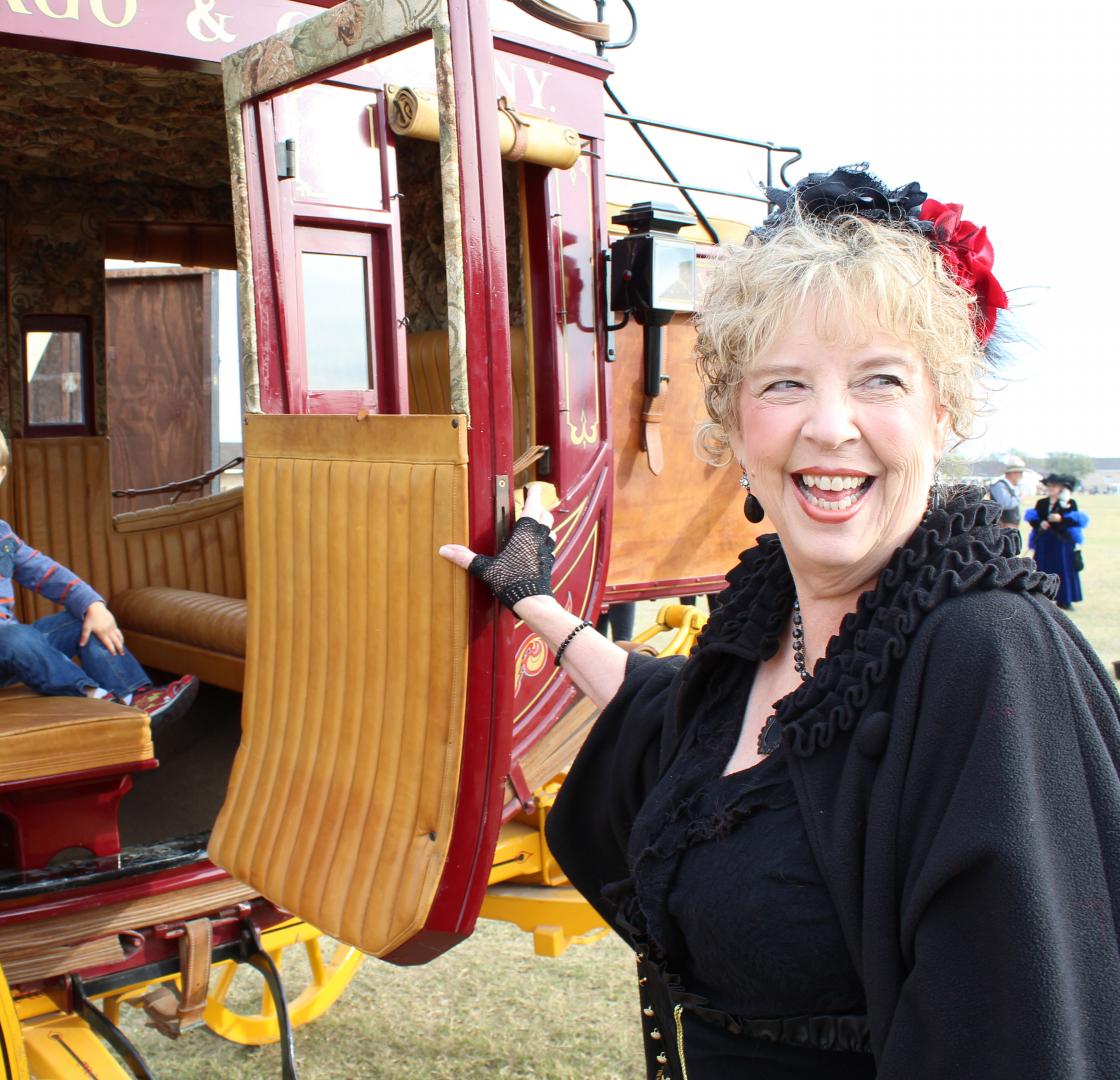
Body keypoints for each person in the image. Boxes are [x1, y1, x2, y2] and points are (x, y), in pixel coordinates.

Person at [440, 166, 1120, 1078]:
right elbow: (671, 719)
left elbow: (1025, 1036)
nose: (830, 426)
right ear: (731, 419)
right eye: (786, 384)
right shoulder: (764, 630)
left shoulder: (986, 656)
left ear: (942, 411)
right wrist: (535, 600)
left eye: (879, 381)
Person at [0, 406, 198, 728]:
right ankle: (90, 694)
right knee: (14, 636)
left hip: (15, 648)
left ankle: (136, 695)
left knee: (80, 620)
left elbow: (47, 573)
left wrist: (93, 604)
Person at [1026, 471, 1088, 609]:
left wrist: (1061, 519)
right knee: (1043, 567)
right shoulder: (1041, 503)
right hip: (1044, 541)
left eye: (1054, 486)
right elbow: (1034, 520)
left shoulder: (1070, 503)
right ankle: (1041, 598)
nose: (1051, 488)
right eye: (1049, 485)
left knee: (1063, 568)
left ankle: (1065, 600)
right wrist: (1040, 523)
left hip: (1062, 542)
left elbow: (1073, 522)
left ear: (1061, 488)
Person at [986, 452, 1026, 529]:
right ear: (1013, 473)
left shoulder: (1009, 487)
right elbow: (1005, 504)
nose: (1021, 476)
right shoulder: (999, 486)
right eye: (1020, 473)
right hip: (1003, 527)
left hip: (1010, 527)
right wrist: (1019, 498)